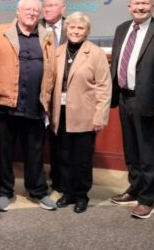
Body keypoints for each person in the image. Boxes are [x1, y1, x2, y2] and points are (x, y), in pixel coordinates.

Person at [109, 0, 154, 219]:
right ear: (129, 6)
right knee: (131, 149)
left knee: (148, 152)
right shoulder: (121, 29)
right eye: (136, 3)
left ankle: (148, 200)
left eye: (145, 4)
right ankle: (135, 188)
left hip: (149, 101)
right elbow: (117, 64)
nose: (140, 7)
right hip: (124, 97)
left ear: (153, 6)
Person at [0, 0, 56, 212]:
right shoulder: (2, 31)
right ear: (17, 11)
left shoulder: (47, 37)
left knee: (35, 152)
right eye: (28, 9)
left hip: (35, 105)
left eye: (36, 10)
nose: (32, 13)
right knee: (3, 153)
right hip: (5, 105)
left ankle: (38, 191)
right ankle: (4, 192)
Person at [50, 12, 112, 213]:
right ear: (66, 29)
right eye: (72, 27)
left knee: (82, 159)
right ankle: (67, 193)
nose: (76, 31)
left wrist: (100, 116)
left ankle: (81, 195)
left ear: (87, 31)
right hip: (60, 114)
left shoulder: (96, 53)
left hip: (85, 114)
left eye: (80, 28)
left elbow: (104, 86)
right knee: (64, 156)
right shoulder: (58, 51)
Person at [41, 0, 67, 192]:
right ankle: (38, 181)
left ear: (62, 9)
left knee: (60, 140)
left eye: (52, 5)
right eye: (46, 5)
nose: (47, 9)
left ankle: (59, 179)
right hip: (38, 92)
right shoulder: (35, 26)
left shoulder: (73, 26)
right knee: (36, 139)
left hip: (64, 93)